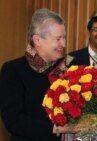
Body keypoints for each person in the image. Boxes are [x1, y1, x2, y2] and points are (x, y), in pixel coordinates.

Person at [0, 8, 76, 141]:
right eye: (58, 39)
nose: (63, 44)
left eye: (64, 38)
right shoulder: (13, 70)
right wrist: (56, 129)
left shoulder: (69, 67)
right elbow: (13, 121)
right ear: (38, 40)